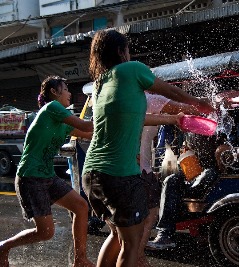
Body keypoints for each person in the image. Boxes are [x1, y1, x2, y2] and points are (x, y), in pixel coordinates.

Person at [82, 29, 214, 267]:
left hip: (92, 175)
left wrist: (173, 120)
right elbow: (171, 91)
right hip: (119, 174)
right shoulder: (133, 69)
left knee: (116, 236)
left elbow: (139, 117)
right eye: (128, 49)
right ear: (122, 51)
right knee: (131, 246)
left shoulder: (101, 84)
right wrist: (199, 103)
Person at [0, 75, 95, 267]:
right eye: (66, 88)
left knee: (81, 207)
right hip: (30, 176)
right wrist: (109, 109)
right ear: (54, 92)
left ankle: (80, 259)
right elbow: (87, 125)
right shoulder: (52, 108)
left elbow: (89, 132)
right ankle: (4, 246)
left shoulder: (63, 120)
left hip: (47, 176)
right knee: (45, 232)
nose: (69, 93)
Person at [138, 91, 203, 267]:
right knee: (145, 216)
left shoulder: (131, 101)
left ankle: (141, 253)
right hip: (139, 170)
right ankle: (138, 255)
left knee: (132, 224)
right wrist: (199, 104)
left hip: (137, 169)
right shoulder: (149, 101)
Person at [146, 133, 220, 250]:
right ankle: (165, 235)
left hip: (211, 171)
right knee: (171, 180)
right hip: (194, 171)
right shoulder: (191, 131)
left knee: (209, 173)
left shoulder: (220, 127)